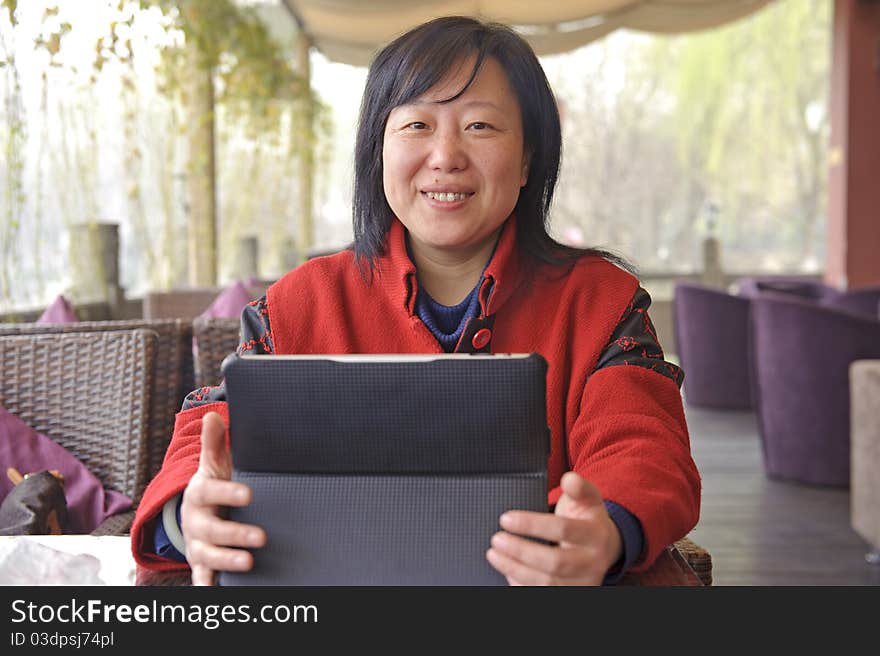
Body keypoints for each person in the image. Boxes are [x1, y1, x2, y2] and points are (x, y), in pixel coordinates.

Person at [131, 15, 700, 586]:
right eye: (417, 125)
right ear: (378, 152)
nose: (446, 154)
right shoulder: (299, 303)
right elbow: (212, 430)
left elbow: (644, 440)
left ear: (529, 159)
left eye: (480, 125)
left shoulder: (601, 300)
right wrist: (190, 513)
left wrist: (605, 530)